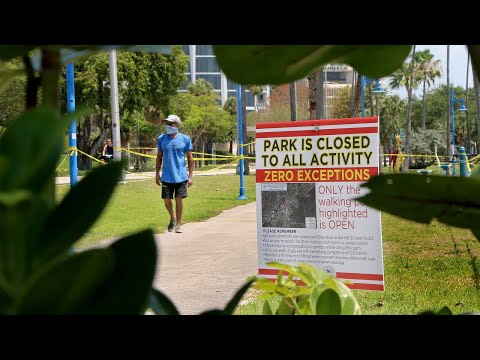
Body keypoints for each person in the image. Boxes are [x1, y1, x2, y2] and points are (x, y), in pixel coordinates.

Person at [155, 115, 193, 233]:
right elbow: (159, 157)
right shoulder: (161, 138)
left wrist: (190, 177)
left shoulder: (185, 139)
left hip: (181, 176)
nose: (168, 126)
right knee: (167, 199)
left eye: (170, 123)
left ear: (177, 124)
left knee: (179, 199)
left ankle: (178, 224)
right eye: (167, 123)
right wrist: (157, 174)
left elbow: (190, 159)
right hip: (166, 176)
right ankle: (173, 217)